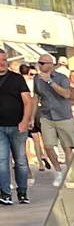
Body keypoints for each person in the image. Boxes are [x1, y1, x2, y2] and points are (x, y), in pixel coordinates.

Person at [31, 55, 74, 178]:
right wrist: (31, 117)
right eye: (39, 63)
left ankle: (70, 175)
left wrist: (50, 81)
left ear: (51, 64)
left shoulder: (62, 78)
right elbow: (36, 97)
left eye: (43, 63)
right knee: (48, 146)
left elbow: (66, 94)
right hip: (46, 115)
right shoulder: (37, 79)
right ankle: (58, 171)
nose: (40, 65)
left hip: (63, 115)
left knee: (67, 148)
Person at [0, 61, 30, 205]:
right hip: (0, 128)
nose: (2, 63)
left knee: (21, 161)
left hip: (18, 126)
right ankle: (5, 193)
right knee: (2, 160)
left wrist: (25, 121)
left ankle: (22, 191)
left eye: (5, 60)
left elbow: (27, 101)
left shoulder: (17, 78)